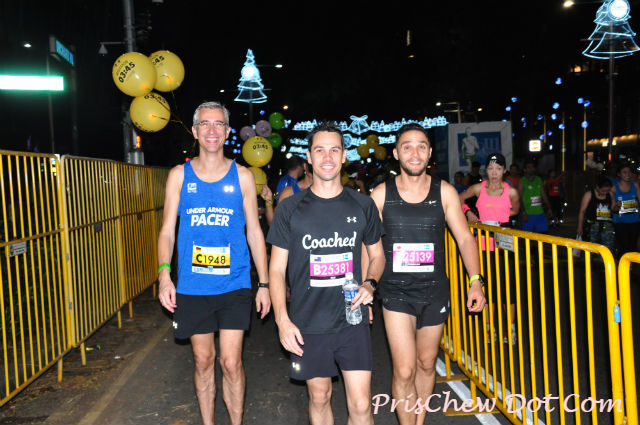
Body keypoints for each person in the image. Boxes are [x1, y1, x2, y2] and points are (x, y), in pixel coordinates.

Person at [157, 101, 271, 425]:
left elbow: (255, 233)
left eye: (218, 124)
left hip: (234, 284)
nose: (211, 130)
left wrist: (264, 284)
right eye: (205, 124)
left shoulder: (243, 176)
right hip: (192, 286)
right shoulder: (179, 176)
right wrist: (165, 276)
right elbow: (167, 231)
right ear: (195, 131)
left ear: (227, 131)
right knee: (203, 360)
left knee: (231, 363)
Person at [267, 122, 385, 425]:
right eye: (320, 150)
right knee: (319, 397)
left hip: (352, 317)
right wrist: (282, 320)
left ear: (344, 156)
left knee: (361, 404)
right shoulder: (289, 208)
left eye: (334, 150)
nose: (328, 157)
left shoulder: (363, 204)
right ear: (309, 157)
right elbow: (276, 270)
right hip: (308, 322)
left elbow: (377, 256)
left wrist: (370, 283)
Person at [369, 123, 486, 425]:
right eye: (407, 146)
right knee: (404, 369)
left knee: (425, 363)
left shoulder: (444, 192)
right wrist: (364, 286)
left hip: (434, 292)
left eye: (421, 146)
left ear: (430, 152)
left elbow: (465, 239)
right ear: (396, 153)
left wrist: (476, 282)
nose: (415, 153)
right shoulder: (381, 194)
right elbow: (367, 246)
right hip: (395, 293)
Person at [460, 152, 520, 345]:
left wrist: (501, 218)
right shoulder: (478, 188)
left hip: (504, 248)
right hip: (483, 248)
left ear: (504, 170)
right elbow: (458, 199)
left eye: (498, 169)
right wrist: (468, 212)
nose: (494, 172)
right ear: (486, 170)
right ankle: (489, 329)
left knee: (508, 291)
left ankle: (510, 329)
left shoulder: (511, 192)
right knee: (488, 290)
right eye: (491, 168)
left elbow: (516, 210)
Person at [577, 176, 614, 252]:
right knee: (591, 248)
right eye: (603, 191)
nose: (605, 193)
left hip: (607, 226)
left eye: (607, 191)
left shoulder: (610, 194)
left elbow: (613, 208)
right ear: (597, 187)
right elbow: (582, 211)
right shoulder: (589, 194)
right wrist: (580, 226)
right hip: (592, 226)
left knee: (607, 248)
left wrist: (617, 206)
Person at [610, 162, 640, 257]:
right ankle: (621, 263)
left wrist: (637, 204)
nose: (628, 174)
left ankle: (630, 264)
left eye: (629, 172)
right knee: (624, 246)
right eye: (624, 172)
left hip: (634, 220)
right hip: (620, 221)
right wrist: (617, 205)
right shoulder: (614, 188)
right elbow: (613, 208)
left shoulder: (635, 185)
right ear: (619, 174)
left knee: (632, 246)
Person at [518, 159, 552, 233]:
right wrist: (523, 212)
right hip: (528, 214)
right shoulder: (522, 181)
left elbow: (544, 195)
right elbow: (519, 198)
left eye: (533, 167)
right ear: (525, 170)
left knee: (542, 235)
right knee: (527, 237)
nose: (531, 169)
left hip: (540, 213)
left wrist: (549, 208)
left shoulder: (539, 180)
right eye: (529, 167)